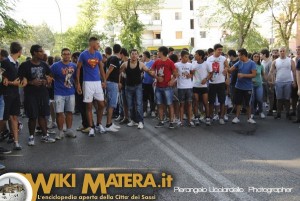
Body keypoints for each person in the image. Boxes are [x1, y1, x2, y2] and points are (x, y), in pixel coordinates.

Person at [18, 44, 56, 145]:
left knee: (43, 115)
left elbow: (51, 74)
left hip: (43, 93)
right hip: (30, 94)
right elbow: (19, 80)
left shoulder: (44, 64)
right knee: (32, 116)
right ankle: (31, 137)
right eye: (40, 51)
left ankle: (45, 136)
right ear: (34, 52)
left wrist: (47, 80)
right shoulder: (25, 65)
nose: (42, 53)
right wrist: (31, 82)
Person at [76, 37, 106, 137]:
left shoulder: (98, 54)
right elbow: (78, 68)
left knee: (101, 104)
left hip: (97, 82)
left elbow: (101, 68)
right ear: (92, 44)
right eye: (97, 44)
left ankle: (99, 124)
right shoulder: (83, 54)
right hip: (87, 82)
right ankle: (91, 127)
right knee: (88, 106)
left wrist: (104, 80)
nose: (99, 45)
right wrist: (78, 84)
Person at [120, 49, 151, 129]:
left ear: (137, 55)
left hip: (138, 86)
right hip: (128, 87)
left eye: (135, 54)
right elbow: (119, 73)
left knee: (139, 104)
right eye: (132, 54)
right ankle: (133, 120)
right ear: (130, 55)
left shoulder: (141, 64)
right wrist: (119, 82)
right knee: (130, 105)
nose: (134, 55)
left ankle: (140, 121)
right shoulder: (125, 64)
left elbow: (148, 71)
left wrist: (154, 74)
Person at [1, 42, 23, 150]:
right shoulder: (5, 62)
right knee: (3, 119)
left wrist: (22, 81)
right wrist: (12, 83)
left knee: (14, 116)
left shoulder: (16, 63)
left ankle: (16, 142)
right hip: (6, 94)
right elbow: (2, 80)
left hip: (15, 94)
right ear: (19, 51)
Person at [51, 48, 77, 140]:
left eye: (68, 54)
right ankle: (60, 131)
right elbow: (50, 76)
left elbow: (76, 78)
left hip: (71, 92)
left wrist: (78, 87)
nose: (66, 56)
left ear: (70, 55)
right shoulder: (55, 66)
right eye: (64, 54)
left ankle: (69, 130)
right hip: (59, 93)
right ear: (61, 55)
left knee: (70, 112)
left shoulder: (74, 66)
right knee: (59, 113)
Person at [150, 46, 178, 129]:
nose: (157, 53)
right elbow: (151, 71)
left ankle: (171, 121)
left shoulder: (170, 62)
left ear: (162, 52)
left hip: (167, 87)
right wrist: (156, 77)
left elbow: (175, 73)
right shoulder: (157, 61)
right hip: (158, 87)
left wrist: (172, 81)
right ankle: (161, 121)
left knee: (170, 104)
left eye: (158, 51)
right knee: (160, 105)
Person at [229, 48, 257, 124]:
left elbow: (254, 74)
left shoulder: (252, 63)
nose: (238, 57)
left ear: (243, 55)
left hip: (248, 87)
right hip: (238, 86)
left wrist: (243, 75)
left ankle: (249, 118)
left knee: (248, 103)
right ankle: (237, 117)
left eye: (239, 55)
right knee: (238, 103)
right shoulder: (239, 62)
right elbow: (230, 69)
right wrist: (226, 69)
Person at [269, 47, 296, 120]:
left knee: (287, 99)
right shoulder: (275, 61)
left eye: (283, 51)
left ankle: (287, 114)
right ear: (279, 52)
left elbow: (294, 72)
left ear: (286, 52)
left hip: (288, 81)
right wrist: (272, 80)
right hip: (279, 82)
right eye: (281, 51)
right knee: (279, 99)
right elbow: (271, 72)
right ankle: (278, 114)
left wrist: (294, 81)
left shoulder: (290, 61)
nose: (282, 52)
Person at [206, 44, 229, 125]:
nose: (220, 51)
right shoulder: (209, 59)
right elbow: (207, 69)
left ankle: (221, 117)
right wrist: (209, 77)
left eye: (221, 50)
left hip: (221, 82)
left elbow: (227, 67)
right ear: (214, 50)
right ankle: (211, 117)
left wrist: (226, 69)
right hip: (212, 83)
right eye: (219, 49)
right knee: (211, 101)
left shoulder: (223, 58)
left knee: (222, 101)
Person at [104, 44, 122, 132]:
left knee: (110, 104)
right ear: (120, 50)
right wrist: (104, 80)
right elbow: (110, 70)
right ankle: (108, 125)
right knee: (111, 104)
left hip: (111, 82)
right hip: (112, 83)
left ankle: (110, 123)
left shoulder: (110, 58)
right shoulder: (114, 59)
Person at [192, 50, 212, 126]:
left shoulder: (207, 64)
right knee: (196, 102)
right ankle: (196, 118)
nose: (195, 55)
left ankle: (207, 118)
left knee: (205, 103)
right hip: (195, 86)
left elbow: (211, 73)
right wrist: (192, 72)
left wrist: (206, 79)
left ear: (200, 56)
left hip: (204, 87)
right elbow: (191, 73)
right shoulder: (193, 63)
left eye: (196, 54)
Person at [175, 50, 194, 127]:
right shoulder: (176, 64)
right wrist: (176, 74)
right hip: (181, 87)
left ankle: (190, 121)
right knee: (181, 104)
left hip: (189, 87)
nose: (187, 58)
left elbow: (192, 73)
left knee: (189, 104)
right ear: (182, 57)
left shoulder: (190, 65)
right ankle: (181, 121)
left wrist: (190, 75)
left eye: (188, 57)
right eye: (186, 57)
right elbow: (175, 73)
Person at [251, 52, 266, 119]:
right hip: (251, 85)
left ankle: (261, 112)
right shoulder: (250, 65)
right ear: (252, 57)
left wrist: (269, 81)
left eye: (257, 56)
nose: (256, 58)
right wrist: (251, 79)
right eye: (255, 56)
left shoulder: (261, 66)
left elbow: (263, 75)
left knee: (259, 99)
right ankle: (252, 113)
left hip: (259, 84)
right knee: (252, 100)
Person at [142, 51, 155, 118]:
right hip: (144, 82)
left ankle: (152, 111)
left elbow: (154, 72)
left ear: (146, 56)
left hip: (151, 83)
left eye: (143, 55)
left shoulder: (152, 62)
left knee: (151, 97)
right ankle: (144, 111)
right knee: (144, 97)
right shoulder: (143, 63)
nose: (142, 57)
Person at [260, 49, 273, 116]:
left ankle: (271, 109)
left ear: (264, 54)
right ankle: (262, 110)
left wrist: (270, 81)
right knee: (263, 96)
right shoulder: (262, 62)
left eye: (261, 54)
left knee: (270, 96)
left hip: (268, 82)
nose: (260, 55)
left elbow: (271, 73)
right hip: (262, 82)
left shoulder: (270, 62)